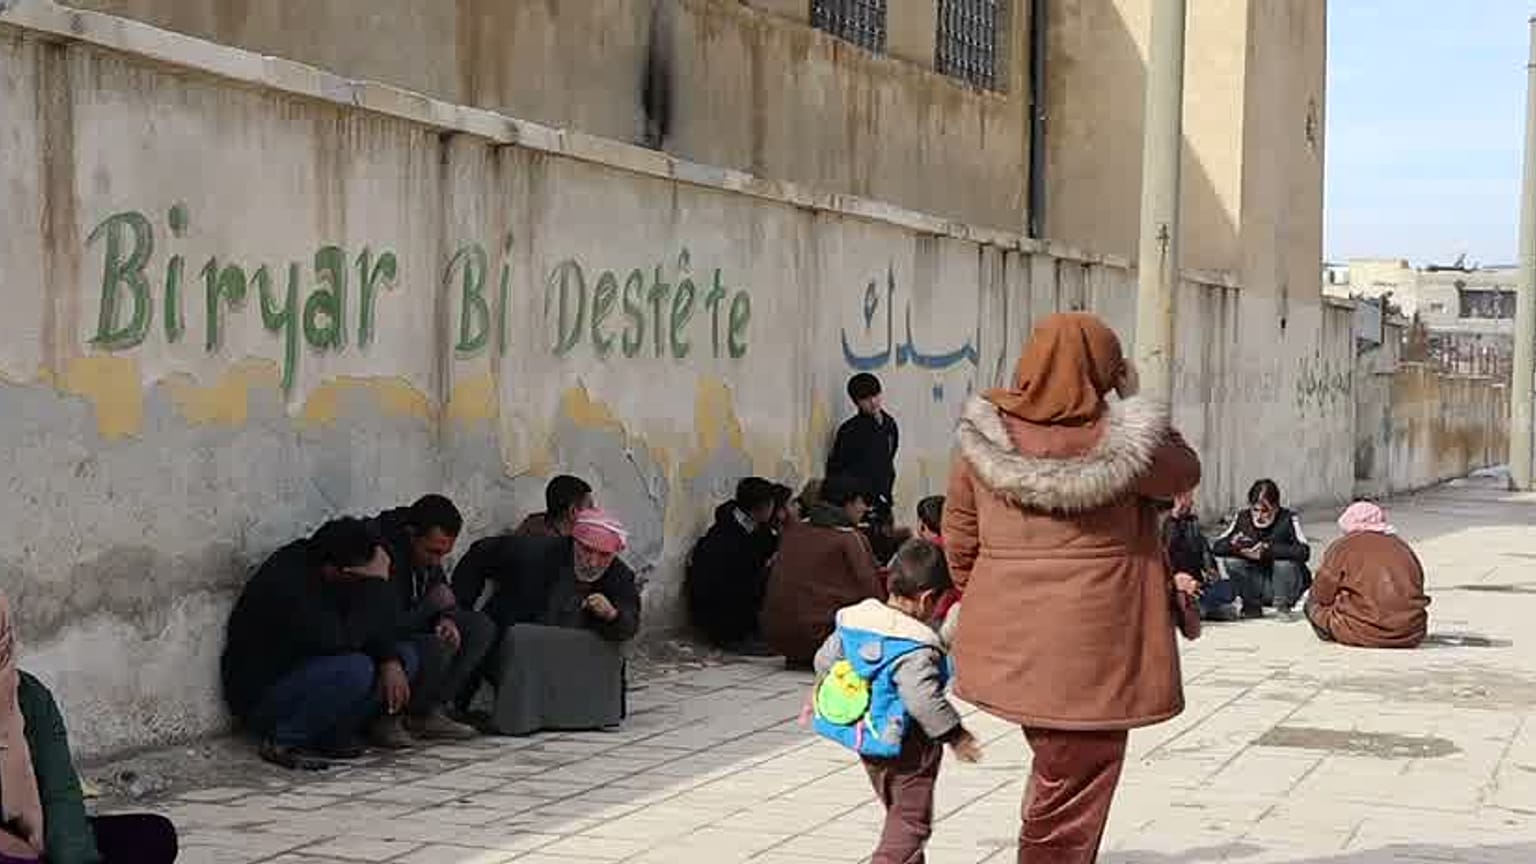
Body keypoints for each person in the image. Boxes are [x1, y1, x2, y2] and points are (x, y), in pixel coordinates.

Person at [942, 312, 1200, 863]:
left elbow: (959, 537)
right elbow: (1184, 471)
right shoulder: (1128, 444)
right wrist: (1133, 402)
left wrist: (990, 597)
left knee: (1059, 771)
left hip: (1009, 638)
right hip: (1097, 651)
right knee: (1074, 783)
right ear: (1106, 367)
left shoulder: (985, 437)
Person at [811, 540, 982, 864]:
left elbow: (824, 661)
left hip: (869, 740)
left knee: (898, 812)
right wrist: (956, 735)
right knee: (911, 823)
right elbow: (922, 699)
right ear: (927, 598)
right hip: (909, 747)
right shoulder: (916, 647)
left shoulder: (854, 623)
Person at [222, 518, 425, 769]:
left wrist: (390, 660)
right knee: (356, 669)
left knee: (404, 657)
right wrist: (378, 586)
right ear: (334, 570)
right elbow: (338, 641)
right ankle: (283, 740)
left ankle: (330, 734)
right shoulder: (288, 581)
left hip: (316, 676)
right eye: (363, 579)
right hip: (266, 693)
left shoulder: (343, 572)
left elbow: (382, 625)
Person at [1, 594, 179, 864]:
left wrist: (77, 857)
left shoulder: (27, 695)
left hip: (34, 835)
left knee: (152, 835)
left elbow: (61, 797)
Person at [452, 509, 640, 736]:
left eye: (603, 556)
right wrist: (462, 610)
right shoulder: (535, 552)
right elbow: (480, 552)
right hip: (517, 646)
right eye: (587, 550)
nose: (592, 562)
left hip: (567, 658)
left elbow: (629, 625)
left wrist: (612, 615)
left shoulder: (619, 575)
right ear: (574, 542)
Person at [370, 495, 492, 739]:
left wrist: (444, 617)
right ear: (411, 534)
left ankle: (429, 712)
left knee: (479, 627)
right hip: (384, 641)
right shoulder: (381, 554)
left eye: (443, 554)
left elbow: (440, 591)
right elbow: (383, 625)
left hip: (416, 624)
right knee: (433, 647)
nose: (436, 561)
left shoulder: (427, 555)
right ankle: (388, 716)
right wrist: (429, 609)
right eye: (432, 552)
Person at [760, 475, 886, 669]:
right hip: (821, 636)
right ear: (848, 504)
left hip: (778, 634)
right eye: (862, 502)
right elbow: (874, 592)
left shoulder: (794, 531)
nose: (865, 508)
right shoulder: (849, 538)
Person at [1305, 502, 1430, 648]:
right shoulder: (1402, 546)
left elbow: (1321, 594)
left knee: (1311, 605)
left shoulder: (1343, 546)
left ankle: (1335, 633)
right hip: (1410, 632)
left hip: (1362, 631)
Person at [684, 478, 781, 653]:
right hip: (720, 611)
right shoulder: (726, 537)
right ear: (762, 507)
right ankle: (737, 636)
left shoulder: (757, 529)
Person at [1212, 479, 1313, 617]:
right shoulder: (1242, 518)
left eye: (1265, 511)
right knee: (1232, 562)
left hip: (1284, 585)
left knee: (1284, 564)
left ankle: (1282, 607)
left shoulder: (1288, 519)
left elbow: (1304, 551)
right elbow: (1218, 546)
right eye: (1255, 510)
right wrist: (1237, 547)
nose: (1259, 516)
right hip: (1257, 585)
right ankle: (1251, 607)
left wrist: (1267, 551)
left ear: (1276, 507)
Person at [827, 374, 899, 528]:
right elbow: (838, 469)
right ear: (856, 402)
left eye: (875, 395)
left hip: (883, 502)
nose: (873, 402)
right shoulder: (849, 430)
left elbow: (889, 458)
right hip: (858, 507)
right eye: (866, 399)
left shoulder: (889, 424)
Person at [1162, 489, 1233, 621]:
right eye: (1188, 498)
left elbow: (1203, 549)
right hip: (1168, 584)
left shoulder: (1191, 522)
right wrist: (1177, 581)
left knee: (1227, 594)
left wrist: (1210, 569)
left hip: (1195, 584)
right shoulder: (1159, 523)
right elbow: (1160, 556)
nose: (1192, 502)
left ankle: (1197, 607)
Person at [514, 475, 595, 539]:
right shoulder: (543, 542)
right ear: (573, 511)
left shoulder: (531, 523)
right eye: (590, 507)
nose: (595, 512)